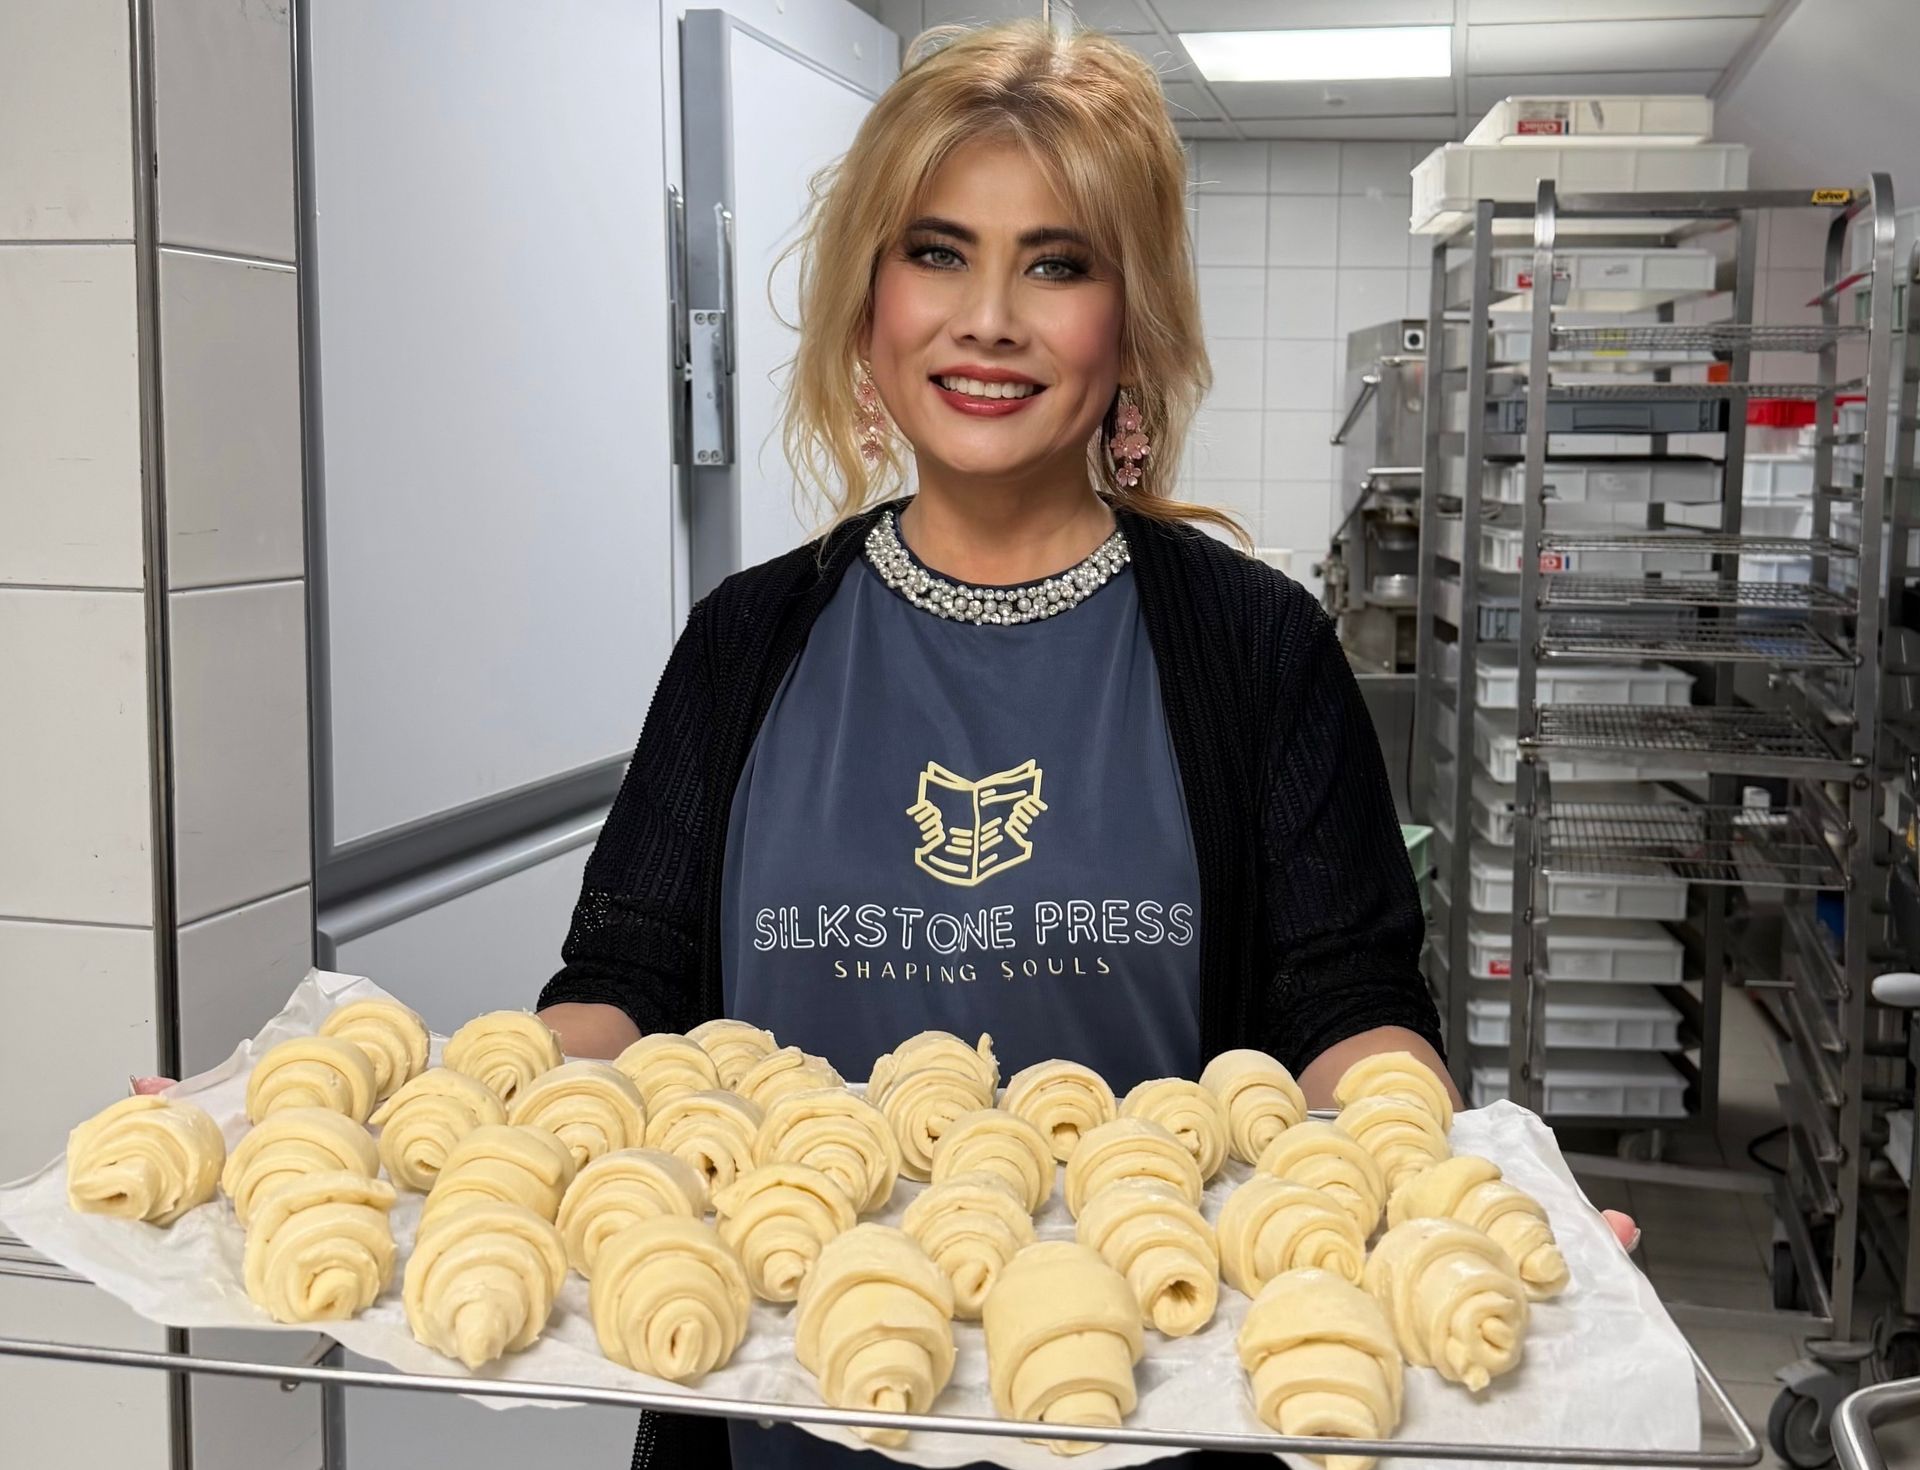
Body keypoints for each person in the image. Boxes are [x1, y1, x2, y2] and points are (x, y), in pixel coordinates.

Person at [144, 17, 1625, 1470]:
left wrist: (1465, 1206)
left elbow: (1348, 1012)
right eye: (937, 251)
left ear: (1133, 323)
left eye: (1058, 262)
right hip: (773, 1399)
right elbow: (621, 993)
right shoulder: (746, 644)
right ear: (870, 305)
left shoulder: (1254, 651)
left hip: (1151, 1398)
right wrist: (323, 1124)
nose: (989, 315)